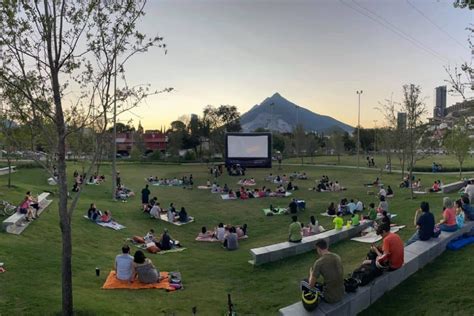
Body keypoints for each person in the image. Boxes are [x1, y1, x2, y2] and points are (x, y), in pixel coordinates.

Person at [306, 239, 344, 304]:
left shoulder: (319, 262)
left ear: (318, 249)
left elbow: (311, 285)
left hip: (330, 298)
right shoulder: (337, 256)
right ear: (327, 247)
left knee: (305, 282)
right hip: (342, 292)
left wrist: (311, 274)